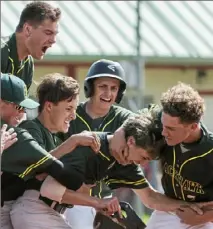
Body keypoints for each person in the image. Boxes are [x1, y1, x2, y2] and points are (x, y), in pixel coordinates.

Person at [1, 73, 119, 229]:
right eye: (69, 108)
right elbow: (38, 170)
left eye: (75, 109)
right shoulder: (31, 129)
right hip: (10, 208)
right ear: (49, 106)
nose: (73, 115)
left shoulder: (57, 139)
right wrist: (73, 142)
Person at [110, 83, 213, 229]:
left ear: (193, 126)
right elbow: (137, 116)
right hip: (170, 208)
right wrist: (120, 132)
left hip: (205, 215)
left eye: (171, 128)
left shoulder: (210, 150)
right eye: (163, 125)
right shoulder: (164, 119)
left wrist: (203, 217)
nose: (163, 132)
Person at [62, 59, 134, 229]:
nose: (108, 93)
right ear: (90, 88)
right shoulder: (71, 114)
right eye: (103, 86)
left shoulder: (124, 118)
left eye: (114, 88)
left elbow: (145, 120)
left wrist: (122, 131)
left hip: (108, 200)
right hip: (73, 200)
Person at [1, 1, 61, 90]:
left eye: (55, 34)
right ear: (28, 29)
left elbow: (20, 103)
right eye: (48, 32)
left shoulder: (28, 64)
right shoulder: (2, 52)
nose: (53, 40)